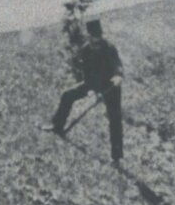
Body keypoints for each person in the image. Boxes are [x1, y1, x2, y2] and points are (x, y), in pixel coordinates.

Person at [52, 18, 124, 163]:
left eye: (97, 39)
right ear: (89, 37)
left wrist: (117, 77)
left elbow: (118, 67)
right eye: (92, 39)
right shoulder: (86, 49)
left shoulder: (109, 48)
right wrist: (91, 90)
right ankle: (57, 126)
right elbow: (86, 73)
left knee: (115, 119)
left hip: (111, 88)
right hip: (92, 84)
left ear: (101, 36)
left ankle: (116, 156)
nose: (95, 42)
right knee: (67, 95)